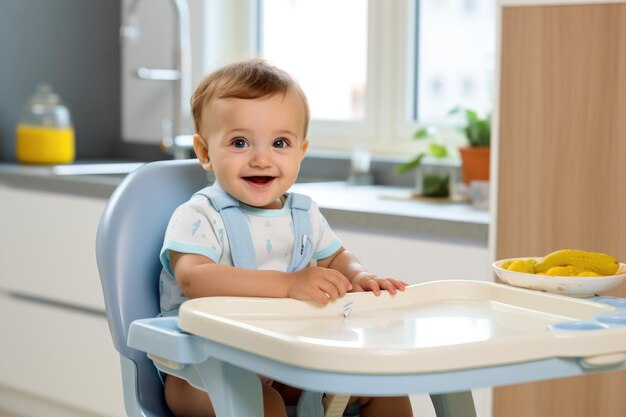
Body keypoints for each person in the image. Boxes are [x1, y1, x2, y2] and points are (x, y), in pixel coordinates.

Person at [158, 59, 414, 417]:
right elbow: (194, 278)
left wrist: (358, 276)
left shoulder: (304, 215)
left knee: (381, 387)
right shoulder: (200, 215)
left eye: (280, 143)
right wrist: (289, 284)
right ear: (204, 152)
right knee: (264, 405)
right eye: (240, 142)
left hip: (282, 358)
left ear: (301, 152)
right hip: (202, 368)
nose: (262, 159)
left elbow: (336, 256)